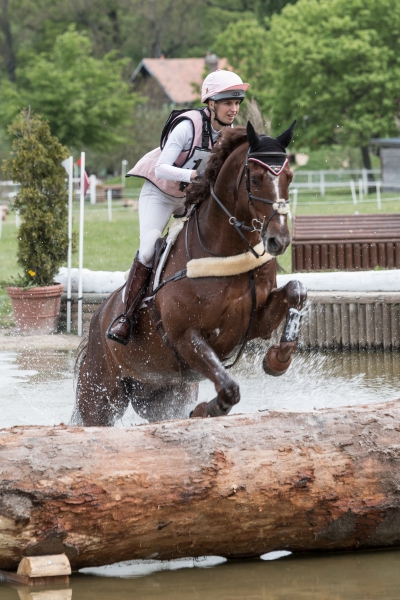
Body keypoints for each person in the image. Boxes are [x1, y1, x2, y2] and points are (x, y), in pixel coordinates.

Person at [106, 69, 249, 345]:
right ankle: (126, 316)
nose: (234, 109)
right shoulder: (188, 126)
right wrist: (194, 176)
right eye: (228, 103)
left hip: (189, 199)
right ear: (211, 104)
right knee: (149, 249)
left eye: (237, 103)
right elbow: (162, 168)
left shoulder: (228, 134)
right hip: (159, 194)